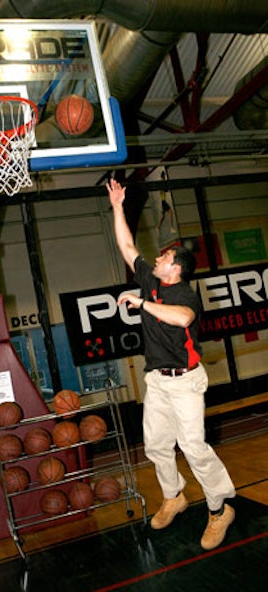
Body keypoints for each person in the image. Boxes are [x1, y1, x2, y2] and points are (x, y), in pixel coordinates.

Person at [106, 177, 236, 551]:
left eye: (163, 257)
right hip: (158, 381)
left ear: (175, 268)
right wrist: (118, 205)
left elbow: (182, 318)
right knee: (157, 446)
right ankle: (174, 495)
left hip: (185, 382)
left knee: (193, 446)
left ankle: (219, 509)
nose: (157, 258)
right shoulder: (149, 278)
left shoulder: (184, 293)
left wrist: (141, 303)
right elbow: (127, 245)